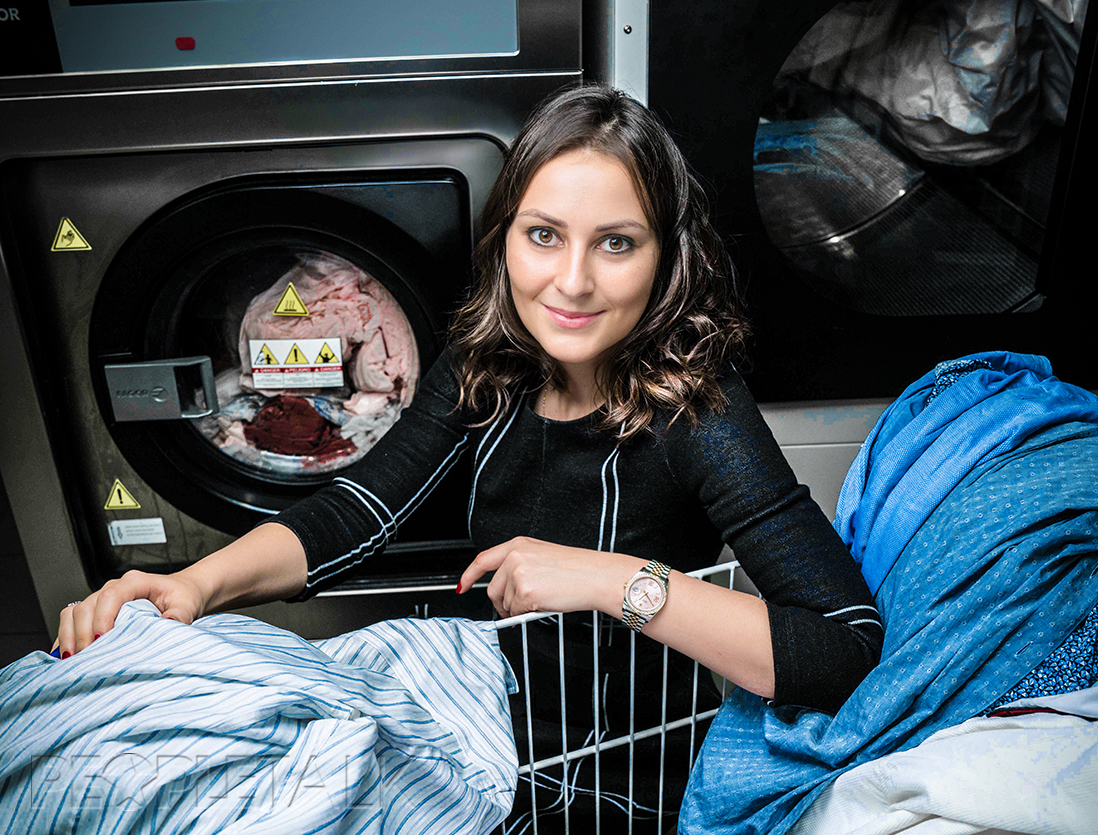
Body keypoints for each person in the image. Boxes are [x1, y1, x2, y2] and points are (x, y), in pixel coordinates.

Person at [54, 84, 881, 728]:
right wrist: (190, 586)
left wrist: (610, 579)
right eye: (544, 235)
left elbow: (847, 648)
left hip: (624, 776)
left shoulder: (699, 408)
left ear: (666, 258)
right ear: (505, 239)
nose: (572, 282)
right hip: (484, 733)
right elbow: (356, 510)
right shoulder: (488, 365)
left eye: (617, 243)